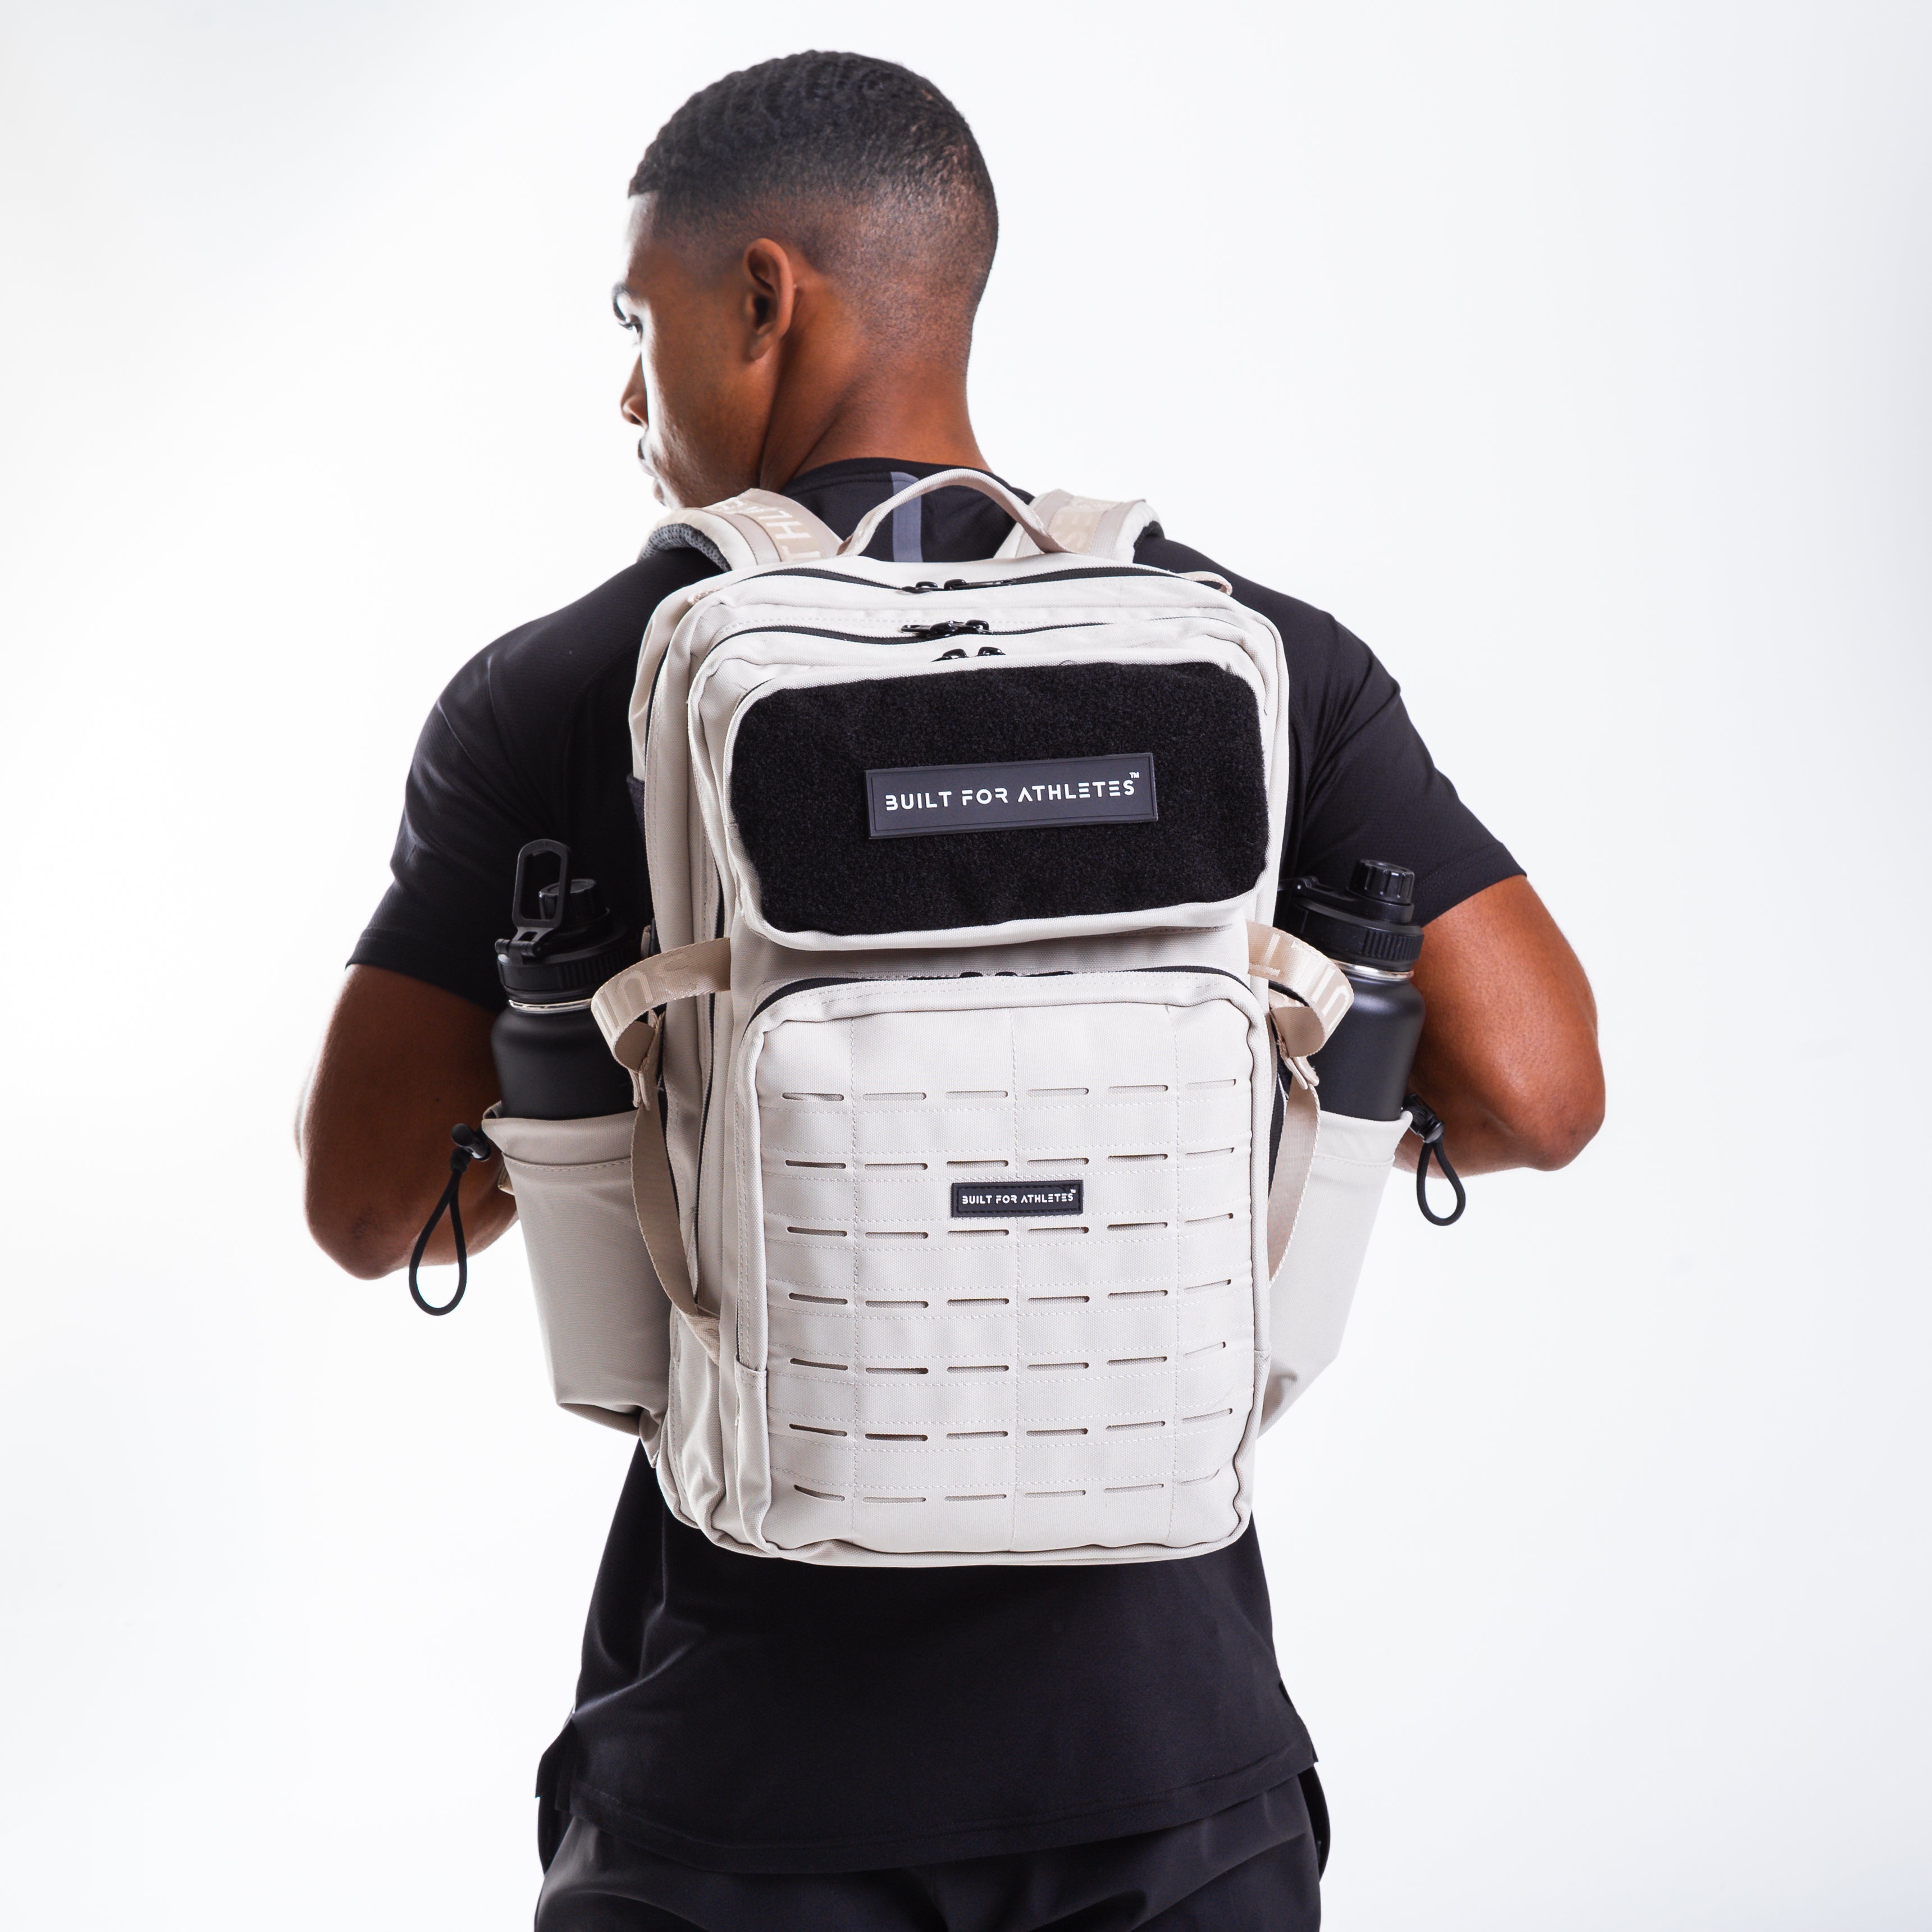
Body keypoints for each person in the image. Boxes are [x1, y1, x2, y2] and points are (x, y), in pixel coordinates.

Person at [300, 50, 1604, 1931]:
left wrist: (623, 1117)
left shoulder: (567, 688)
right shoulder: (1243, 655)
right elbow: (1536, 1091)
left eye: (639, 323)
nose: (629, 392)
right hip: (1175, 1775)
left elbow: (365, 1202)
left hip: (737, 1788)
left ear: (763, 296)